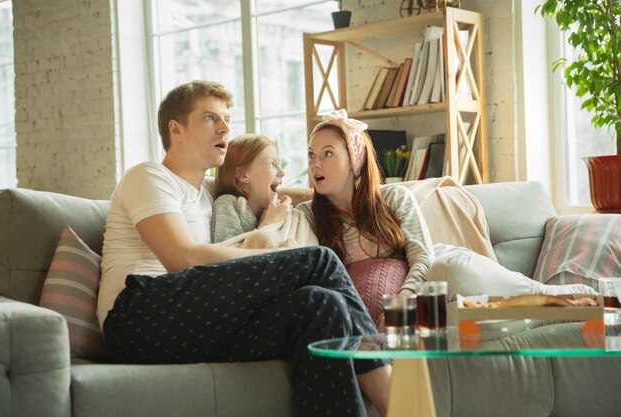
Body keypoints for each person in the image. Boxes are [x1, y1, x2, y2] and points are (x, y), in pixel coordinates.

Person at [97, 82, 391, 417]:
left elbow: (277, 191)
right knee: (318, 260)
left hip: (192, 325)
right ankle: (400, 403)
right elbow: (183, 259)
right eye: (210, 118)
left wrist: (361, 191)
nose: (225, 128)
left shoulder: (211, 192)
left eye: (226, 118)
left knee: (322, 304)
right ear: (175, 129)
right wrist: (280, 261)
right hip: (137, 317)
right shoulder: (148, 176)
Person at [295, 109, 595, 324]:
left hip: (442, 269)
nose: (316, 164)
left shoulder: (394, 198)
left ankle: (603, 298)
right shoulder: (306, 215)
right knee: (498, 315)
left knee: (537, 296)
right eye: (310, 155)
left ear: (354, 160)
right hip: (424, 304)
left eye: (328, 153)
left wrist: (405, 295)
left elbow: (422, 257)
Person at [211, 134, 317, 249]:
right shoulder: (228, 203)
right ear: (243, 175)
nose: (282, 172)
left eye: (279, 164)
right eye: (272, 164)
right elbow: (228, 254)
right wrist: (270, 222)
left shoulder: (282, 208)